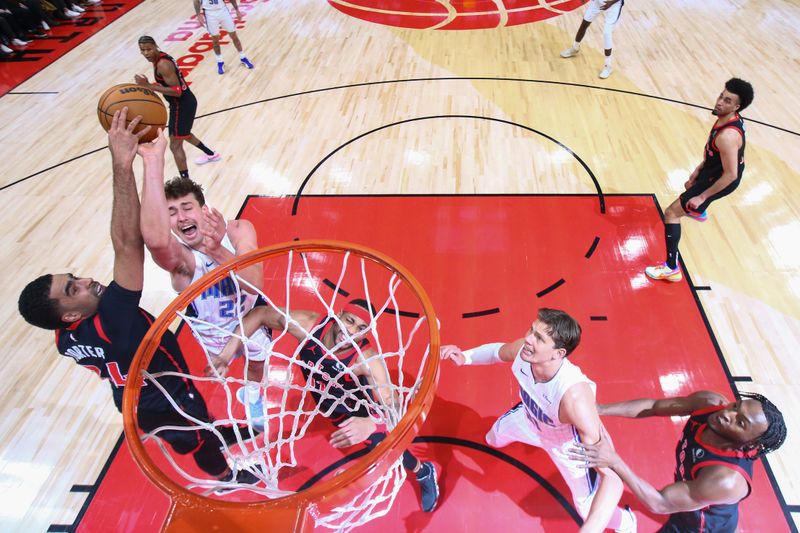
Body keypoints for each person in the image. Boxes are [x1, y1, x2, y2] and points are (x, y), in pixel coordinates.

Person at [16, 109, 257, 487]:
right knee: (198, 443)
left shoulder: (65, 340)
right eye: (73, 289)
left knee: (197, 423)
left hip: (136, 395)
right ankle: (228, 475)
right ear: (66, 316)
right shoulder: (113, 319)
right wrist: (125, 164)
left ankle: (207, 431)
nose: (87, 282)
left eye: (74, 277)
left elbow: (254, 285)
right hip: (164, 399)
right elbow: (129, 243)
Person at [209, 298, 441, 512]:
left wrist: (371, 422)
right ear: (337, 315)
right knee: (351, 433)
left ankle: (423, 471)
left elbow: (393, 406)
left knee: (382, 447)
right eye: (349, 321)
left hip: (358, 408)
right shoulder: (307, 325)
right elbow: (259, 313)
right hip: (327, 401)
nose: (351, 332)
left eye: (361, 329)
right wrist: (225, 355)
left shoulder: (366, 360)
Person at [440, 308, 636, 532]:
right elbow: (497, 351)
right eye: (532, 330)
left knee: (586, 509)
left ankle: (627, 523)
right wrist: (465, 357)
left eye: (539, 338)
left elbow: (612, 477)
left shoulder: (575, 398)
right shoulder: (525, 352)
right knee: (493, 437)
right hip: (529, 419)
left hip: (567, 447)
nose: (528, 338)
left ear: (558, 353)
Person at [138, 155, 268, 430]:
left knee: (257, 365)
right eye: (171, 212)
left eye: (187, 208)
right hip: (213, 330)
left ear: (203, 209)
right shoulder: (180, 260)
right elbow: (154, 241)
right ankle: (245, 385)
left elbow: (255, 284)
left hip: (252, 316)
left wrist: (217, 250)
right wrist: (152, 162)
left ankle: (252, 395)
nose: (181, 217)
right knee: (224, 367)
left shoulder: (237, 230)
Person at [570, 390, 787, 532]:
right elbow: (654, 406)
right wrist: (601, 409)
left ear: (749, 444)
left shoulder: (725, 479)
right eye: (735, 406)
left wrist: (615, 461)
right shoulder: (710, 404)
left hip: (699, 527)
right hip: (696, 499)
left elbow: (660, 503)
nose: (727, 414)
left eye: (740, 422)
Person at [645, 78, 754, 282]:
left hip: (722, 178)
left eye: (727, 101)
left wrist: (702, 196)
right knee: (689, 191)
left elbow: (731, 175)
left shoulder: (728, 136)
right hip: (714, 170)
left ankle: (671, 268)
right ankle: (698, 208)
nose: (720, 102)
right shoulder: (727, 117)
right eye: (721, 96)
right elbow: (714, 153)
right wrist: (698, 169)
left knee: (671, 213)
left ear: (737, 107)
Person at [135, 35, 221, 178]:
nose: (146, 53)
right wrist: (152, 86)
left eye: (148, 49)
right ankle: (211, 154)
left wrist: (149, 86)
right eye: (142, 50)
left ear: (155, 46)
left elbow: (176, 91)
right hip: (185, 102)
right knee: (184, 133)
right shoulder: (160, 58)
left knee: (175, 145)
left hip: (181, 104)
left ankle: (186, 183)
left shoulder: (163, 64)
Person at [559, 0, 625, 79]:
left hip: (613, 4)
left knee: (606, 33)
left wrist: (610, 3)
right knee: (584, 25)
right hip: (598, 2)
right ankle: (575, 48)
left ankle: (608, 66)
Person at [193, 0, 254, 75]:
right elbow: (196, 1)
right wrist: (198, 15)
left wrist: (237, 10)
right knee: (215, 39)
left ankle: (243, 57)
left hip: (223, 11)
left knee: (233, 35)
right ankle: (220, 62)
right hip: (209, 14)